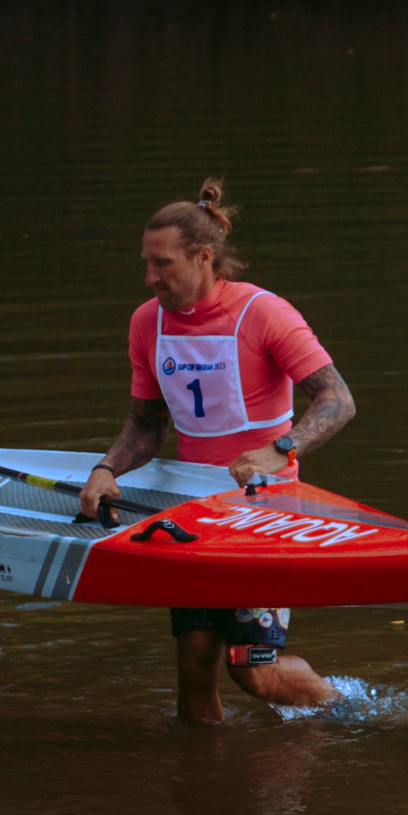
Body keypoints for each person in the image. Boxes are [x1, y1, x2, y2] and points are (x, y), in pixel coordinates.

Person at [78, 179, 358, 726]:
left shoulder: (264, 312)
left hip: (266, 514)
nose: (149, 277)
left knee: (250, 670)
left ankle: (347, 714)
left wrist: (284, 447)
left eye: (162, 264)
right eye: (147, 263)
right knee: (193, 674)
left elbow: (338, 399)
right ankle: (207, 796)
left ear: (203, 257)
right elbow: (146, 423)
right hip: (196, 515)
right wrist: (106, 469)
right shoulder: (146, 323)